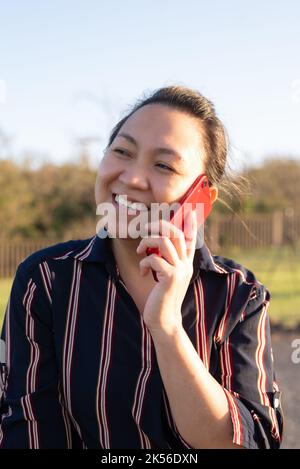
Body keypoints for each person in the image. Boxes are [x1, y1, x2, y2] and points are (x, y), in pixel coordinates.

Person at [0, 85, 283, 449]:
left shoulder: (238, 295)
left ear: (200, 199)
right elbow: (28, 431)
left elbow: (249, 442)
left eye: (164, 164)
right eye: (122, 151)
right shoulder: (45, 282)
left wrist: (167, 329)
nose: (131, 178)